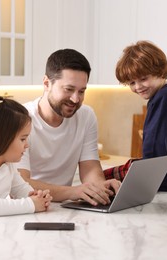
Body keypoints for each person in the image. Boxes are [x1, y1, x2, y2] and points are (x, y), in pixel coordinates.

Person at [16, 49, 121, 206]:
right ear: (46, 84)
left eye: (82, 91)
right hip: (28, 206)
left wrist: (99, 188)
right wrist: (73, 192)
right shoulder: (20, 119)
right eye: (69, 89)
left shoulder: (86, 116)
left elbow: (90, 168)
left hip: (64, 207)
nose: (75, 99)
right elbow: (20, 183)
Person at [105, 40, 167, 191]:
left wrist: (143, 185)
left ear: (160, 71)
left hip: (164, 180)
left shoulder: (164, 98)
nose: (138, 87)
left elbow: (153, 149)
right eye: (131, 83)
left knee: (98, 180)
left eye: (143, 79)